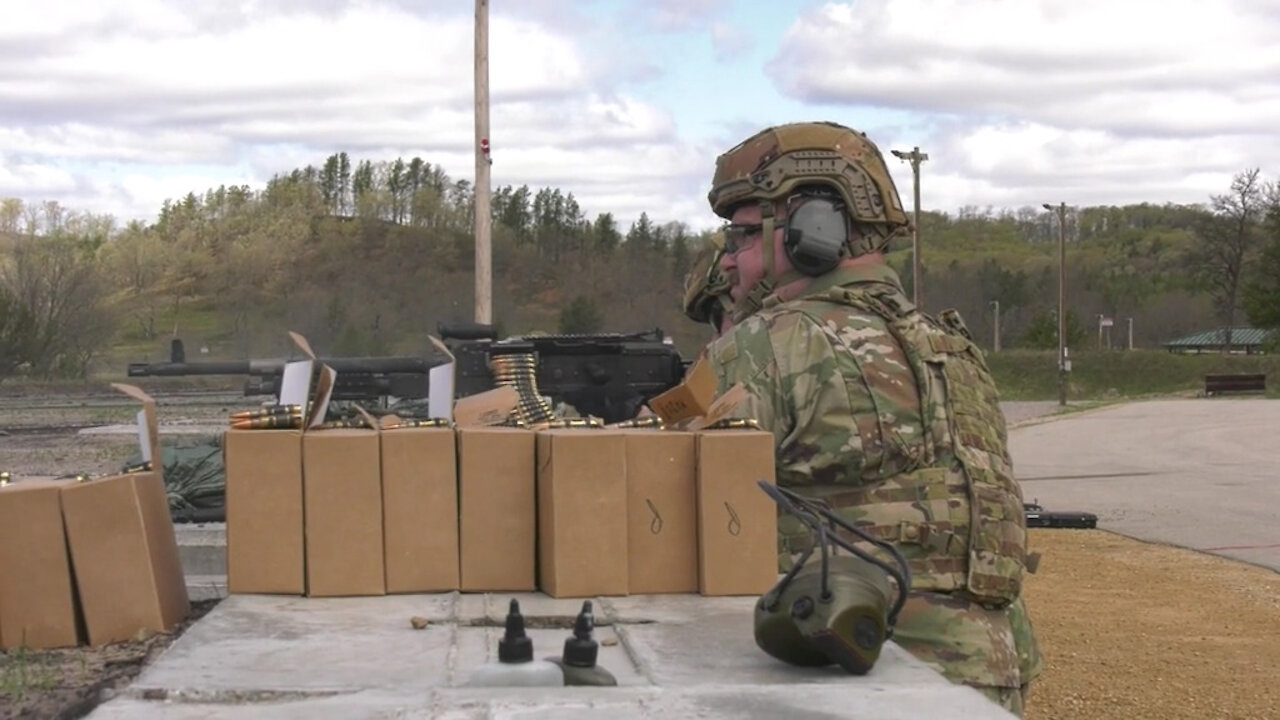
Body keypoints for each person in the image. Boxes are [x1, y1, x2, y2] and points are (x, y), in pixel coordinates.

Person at [684, 121, 1042, 715]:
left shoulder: (772, 345)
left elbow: (637, 482)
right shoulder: (949, 346)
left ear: (810, 230)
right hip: (991, 671)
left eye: (743, 235)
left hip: (862, 671)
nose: (729, 262)